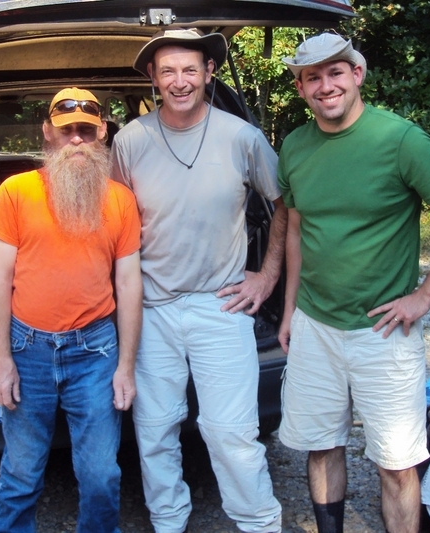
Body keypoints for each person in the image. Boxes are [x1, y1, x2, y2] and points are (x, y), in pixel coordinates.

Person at [276, 33, 430, 533]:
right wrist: (289, 313)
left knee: (396, 462)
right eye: (312, 77)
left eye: (335, 73)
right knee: (322, 446)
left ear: (357, 75)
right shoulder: (295, 146)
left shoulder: (400, 140)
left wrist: (424, 296)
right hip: (314, 325)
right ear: (302, 88)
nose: (325, 86)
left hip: (383, 333)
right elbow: (298, 231)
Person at [111, 28, 285, 533]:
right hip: (151, 311)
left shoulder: (242, 137)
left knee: (231, 432)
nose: (180, 81)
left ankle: (258, 523)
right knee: (154, 429)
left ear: (209, 73)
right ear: (153, 78)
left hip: (221, 305)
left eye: (191, 69)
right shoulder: (130, 140)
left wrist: (267, 275)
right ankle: (168, 521)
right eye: (168, 71)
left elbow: (283, 206)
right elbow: (116, 222)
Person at [0, 87, 142, 533]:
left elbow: (129, 284)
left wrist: (126, 366)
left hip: (94, 352)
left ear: (102, 134)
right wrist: (1, 361)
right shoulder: (16, 192)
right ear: (48, 132)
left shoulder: (119, 200)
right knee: (20, 473)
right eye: (67, 130)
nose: (76, 140)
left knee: (101, 475)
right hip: (27, 347)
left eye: (86, 132)